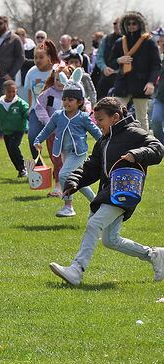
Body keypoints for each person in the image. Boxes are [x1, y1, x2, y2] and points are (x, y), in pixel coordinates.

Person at [49, 97, 164, 286]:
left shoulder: (135, 133)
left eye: (100, 119)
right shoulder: (104, 140)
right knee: (110, 240)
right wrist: (74, 180)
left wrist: (137, 154)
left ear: (115, 117)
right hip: (108, 192)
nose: (97, 124)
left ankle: (76, 270)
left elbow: (158, 148)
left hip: (124, 192)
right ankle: (154, 255)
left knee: (94, 224)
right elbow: (92, 166)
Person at [34, 68, 102, 218]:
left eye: (70, 100)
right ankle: (96, 202)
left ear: (80, 102)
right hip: (64, 152)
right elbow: (47, 129)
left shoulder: (83, 117)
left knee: (64, 175)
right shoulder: (58, 115)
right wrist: (38, 140)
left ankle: (68, 206)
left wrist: (107, 142)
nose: (66, 102)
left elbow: (96, 132)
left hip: (78, 153)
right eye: (64, 99)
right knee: (79, 181)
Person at [109, 11, 161, 132]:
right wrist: (118, 60)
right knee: (115, 113)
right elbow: (111, 62)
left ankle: (146, 145)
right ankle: (116, 140)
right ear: (124, 25)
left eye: (134, 23)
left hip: (141, 83)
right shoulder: (119, 42)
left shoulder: (149, 42)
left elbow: (156, 65)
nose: (131, 26)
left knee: (142, 117)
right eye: (128, 24)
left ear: (140, 25)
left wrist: (151, 82)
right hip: (123, 84)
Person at [32, 65, 72, 196]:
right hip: (53, 134)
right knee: (57, 160)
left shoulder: (73, 92)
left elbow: (84, 104)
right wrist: (48, 122)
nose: (59, 82)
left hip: (70, 133)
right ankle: (59, 186)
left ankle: (65, 185)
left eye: (62, 79)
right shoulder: (49, 93)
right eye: (56, 79)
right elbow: (40, 107)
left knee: (68, 160)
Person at [0, 17, 25, 109]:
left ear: (6, 24)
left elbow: (21, 58)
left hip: (6, 79)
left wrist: (10, 74)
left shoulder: (15, 39)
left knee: (3, 105)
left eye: (0, 24)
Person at [95, 18, 123, 100]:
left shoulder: (127, 40)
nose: (116, 26)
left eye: (119, 23)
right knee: (101, 102)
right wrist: (104, 68)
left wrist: (117, 71)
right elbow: (99, 57)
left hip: (122, 78)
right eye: (114, 23)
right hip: (106, 76)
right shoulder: (106, 39)